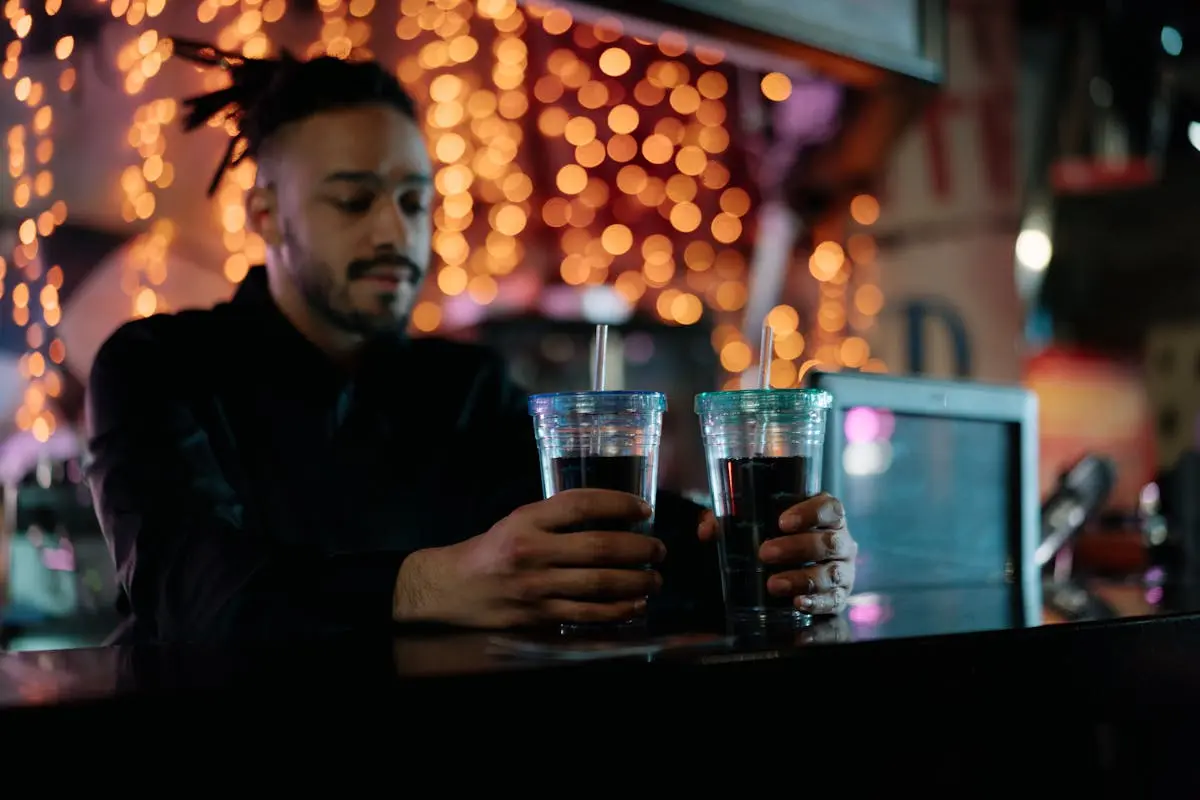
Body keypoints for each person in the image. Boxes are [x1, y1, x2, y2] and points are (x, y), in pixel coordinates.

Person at [84, 41, 858, 644]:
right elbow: (187, 590)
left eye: (414, 200)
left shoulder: (464, 386)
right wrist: (433, 585)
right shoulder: (157, 367)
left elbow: (603, 535)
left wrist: (766, 555)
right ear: (263, 212)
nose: (396, 231)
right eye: (353, 200)